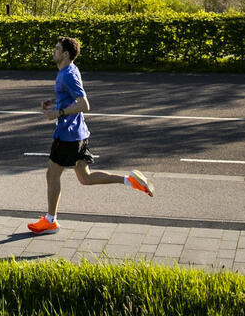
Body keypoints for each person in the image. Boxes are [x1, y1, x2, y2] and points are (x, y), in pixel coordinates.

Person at [27, 36, 154, 235]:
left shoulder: (68, 74)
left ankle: (51, 221)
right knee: (85, 178)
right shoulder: (69, 70)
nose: (53, 51)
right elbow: (69, 95)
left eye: (57, 48)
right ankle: (130, 180)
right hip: (78, 133)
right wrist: (53, 101)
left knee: (52, 174)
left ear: (66, 54)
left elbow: (84, 104)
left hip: (67, 135)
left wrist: (57, 113)